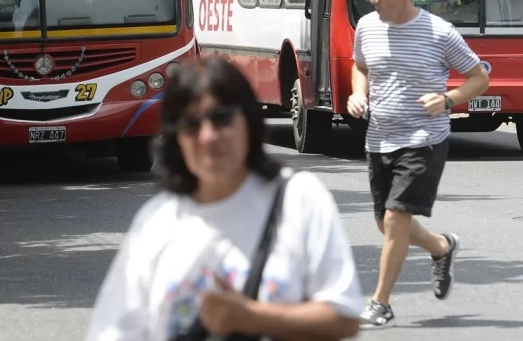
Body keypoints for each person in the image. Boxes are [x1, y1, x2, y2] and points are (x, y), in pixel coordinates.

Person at [86, 55, 363, 341]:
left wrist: (253, 317)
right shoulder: (157, 221)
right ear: (175, 139)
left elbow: (343, 317)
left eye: (221, 117)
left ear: (249, 121)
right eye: (191, 124)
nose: (208, 136)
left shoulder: (299, 200)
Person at [346, 0, 489, 329]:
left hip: (424, 137)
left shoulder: (440, 33)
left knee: (395, 219)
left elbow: (478, 79)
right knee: (386, 224)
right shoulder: (366, 26)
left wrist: (447, 100)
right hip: (379, 137)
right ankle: (442, 247)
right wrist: (357, 94)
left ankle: (380, 303)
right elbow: (359, 66)